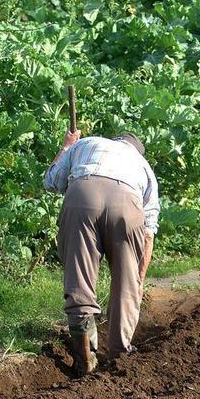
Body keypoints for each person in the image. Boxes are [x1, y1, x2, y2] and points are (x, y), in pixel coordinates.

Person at [43, 129, 160, 376]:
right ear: (136, 150)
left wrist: (65, 146)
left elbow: (52, 181)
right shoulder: (143, 166)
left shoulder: (85, 144)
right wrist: (138, 279)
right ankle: (120, 354)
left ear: (115, 140)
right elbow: (149, 231)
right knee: (126, 285)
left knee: (79, 278)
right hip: (127, 205)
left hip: (82, 196)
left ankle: (85, 357)